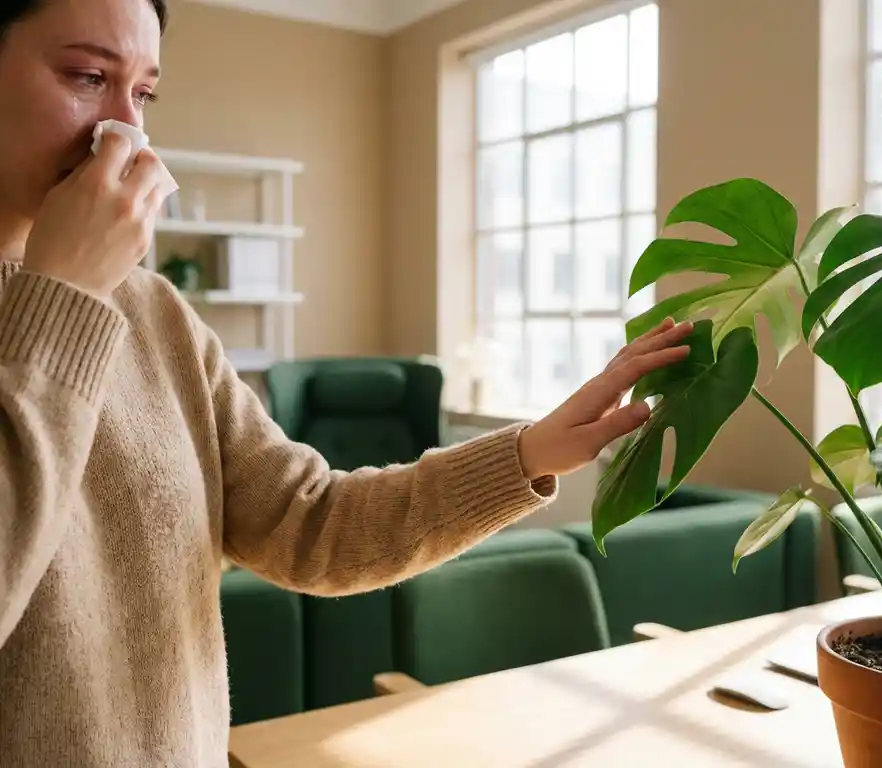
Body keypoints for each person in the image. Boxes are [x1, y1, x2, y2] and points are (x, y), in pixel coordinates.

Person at [0, 0, 694, 765]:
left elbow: (311, 526)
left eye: (144, 95)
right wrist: (62, 301)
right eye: (88, 76)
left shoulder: (160, 315)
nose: (121, 135)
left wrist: (527, 453)